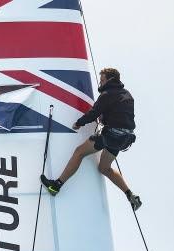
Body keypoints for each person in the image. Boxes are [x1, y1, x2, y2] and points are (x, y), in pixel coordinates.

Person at [40, 68, 142, 211]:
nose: (100, 83)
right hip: (125, 139)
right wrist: (106, 117)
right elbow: (121, 115)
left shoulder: (107, 94)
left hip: (112, 134)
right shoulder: (127, 95)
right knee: (104, 168)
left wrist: (78, 123)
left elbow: (93, 114)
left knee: (79, 152)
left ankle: (56, 185)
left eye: (102, 80)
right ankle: (130, 195)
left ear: (110, 80)